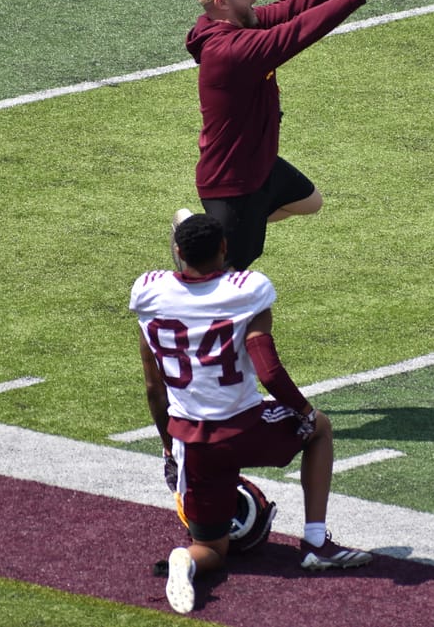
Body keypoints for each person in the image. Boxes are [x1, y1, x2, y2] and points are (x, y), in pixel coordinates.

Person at [130, 213, 372, 614]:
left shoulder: (149, 292)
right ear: (224, 248)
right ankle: (315, 543)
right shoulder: (248, 289)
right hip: (247, 425)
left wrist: (168, 448)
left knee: (211, 547)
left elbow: (154, 387)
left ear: (177, 252)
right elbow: (268, 370)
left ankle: (186, 560)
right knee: (320, 430)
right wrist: (305, 411)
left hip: (191, 438)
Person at [181, 0, 396, 270]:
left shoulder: (240, 25)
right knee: (225, 275)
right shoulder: (231, 50)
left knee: (309, 201)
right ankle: (199, 240)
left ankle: (211, 231)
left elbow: (295, 5)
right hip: (232, 180)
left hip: (257, 162)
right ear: (222, 2)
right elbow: (298, 31)